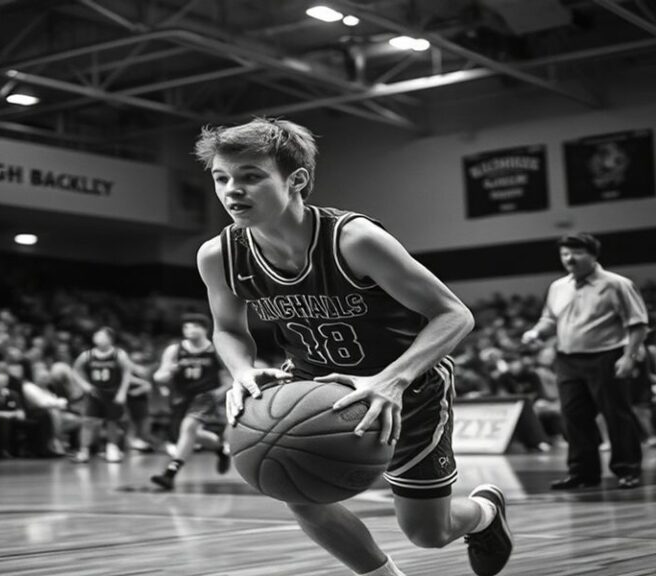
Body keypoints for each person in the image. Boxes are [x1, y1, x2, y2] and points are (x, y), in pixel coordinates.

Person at [193, 118, 512, 576]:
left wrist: (391, 382)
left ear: (296, 180)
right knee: (297, 490)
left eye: (251, 177)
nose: (231, 191)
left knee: (427, 532)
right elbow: (227, 329)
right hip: (311, 388)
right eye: (222, 178)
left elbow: (454, 314)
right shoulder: (217, 255)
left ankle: (485, 513)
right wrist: (242, 371)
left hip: (407, 387)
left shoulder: (353, 240)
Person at [523, 233, 649, 490]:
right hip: (568, 359)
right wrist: (536, 332)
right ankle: (583, 473)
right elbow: (550, 319)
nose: (569, 258)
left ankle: (628, 470)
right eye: (564, 254)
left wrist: (629, 357)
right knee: (574, 417)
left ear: (593, 255)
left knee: (617, 415)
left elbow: (638, 324)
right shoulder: (558, 287)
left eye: (576, 253)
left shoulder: (617, 284)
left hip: (607, 356)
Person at [150, 314, 231, 490]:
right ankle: (220, 450)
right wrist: (169, 372)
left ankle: (169, 474)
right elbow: (159, 377)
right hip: (181, 397)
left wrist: (218, 393)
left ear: (205, 329)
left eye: (194, 326)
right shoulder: (174, 350)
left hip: (205, 396)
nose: (189, 330)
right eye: (186, 327)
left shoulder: (215, 350)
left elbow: (231, 379)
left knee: (188, 427)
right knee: (190, 435)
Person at [71, 327, 132, 463]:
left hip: (113, 392)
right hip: (95, 393)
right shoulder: (87, 355)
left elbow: (127, 373)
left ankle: (112, 449)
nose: (96, 337)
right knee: (88, 421)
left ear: (110, 338)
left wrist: (122, 392)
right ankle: (83, 451)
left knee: (112, 422)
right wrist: (84, 384)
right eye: (96, 335)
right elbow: (75, 370)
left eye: (100, 335)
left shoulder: (119, 354)